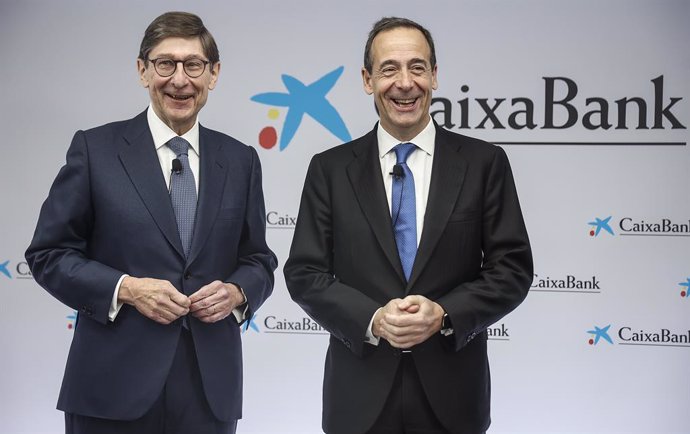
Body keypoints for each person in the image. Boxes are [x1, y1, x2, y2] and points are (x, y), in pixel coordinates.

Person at [25, 11, 276, 434]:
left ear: (213, 75)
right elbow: (48, 254)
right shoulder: (95, 149)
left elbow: (258, 260)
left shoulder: (240, 160)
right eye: (165, 64)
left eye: (193, 65)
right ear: (143, 71)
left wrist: (237, 292)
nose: (180, 79)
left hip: (209, 394)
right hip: (110, 390)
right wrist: (127, 289)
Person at [284, 16, 532, 434]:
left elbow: (512, 269)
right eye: (389, 69)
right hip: (357, 400)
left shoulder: (484, 163)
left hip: (454, 400)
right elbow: (304, 273)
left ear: (434, 76)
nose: (404, 83)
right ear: (367, 79)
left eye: (417, 67)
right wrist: (373, 318)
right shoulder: (329, 169)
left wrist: (445, 313)